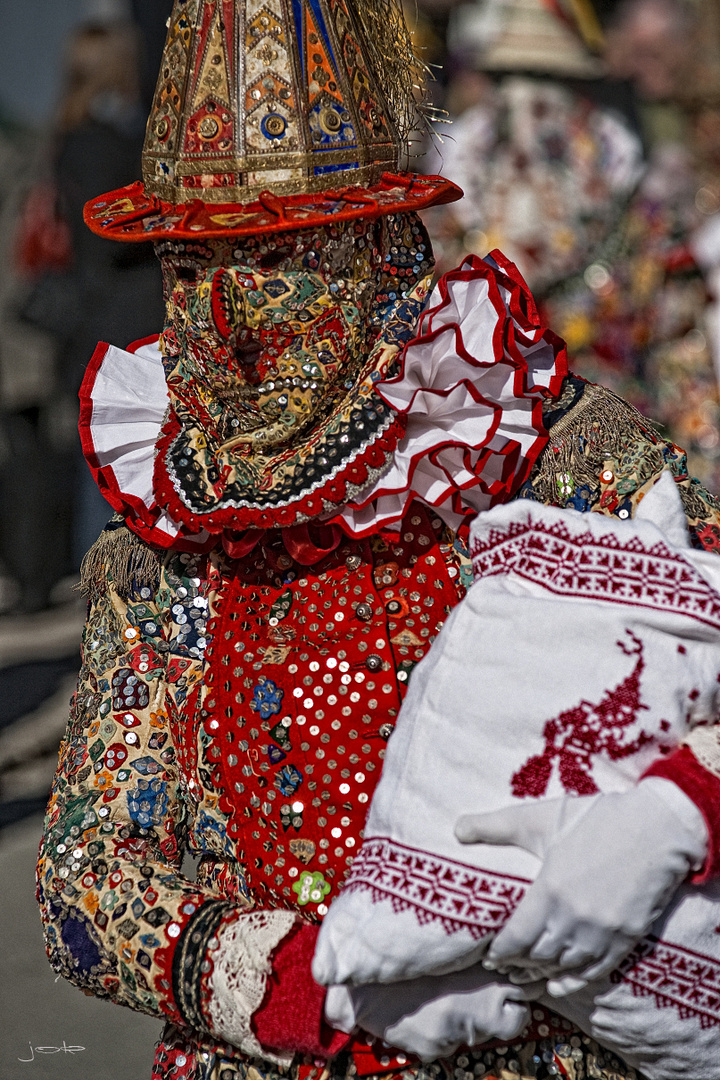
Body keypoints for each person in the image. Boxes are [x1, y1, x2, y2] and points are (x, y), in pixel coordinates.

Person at [36, 2, 720, 1079]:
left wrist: (681, 809)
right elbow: (87, 868)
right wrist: (297, 979)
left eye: (274, 261)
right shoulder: (168, 540)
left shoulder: (549, 455)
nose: (224, 321)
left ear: (372, 245)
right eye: (188, 266)